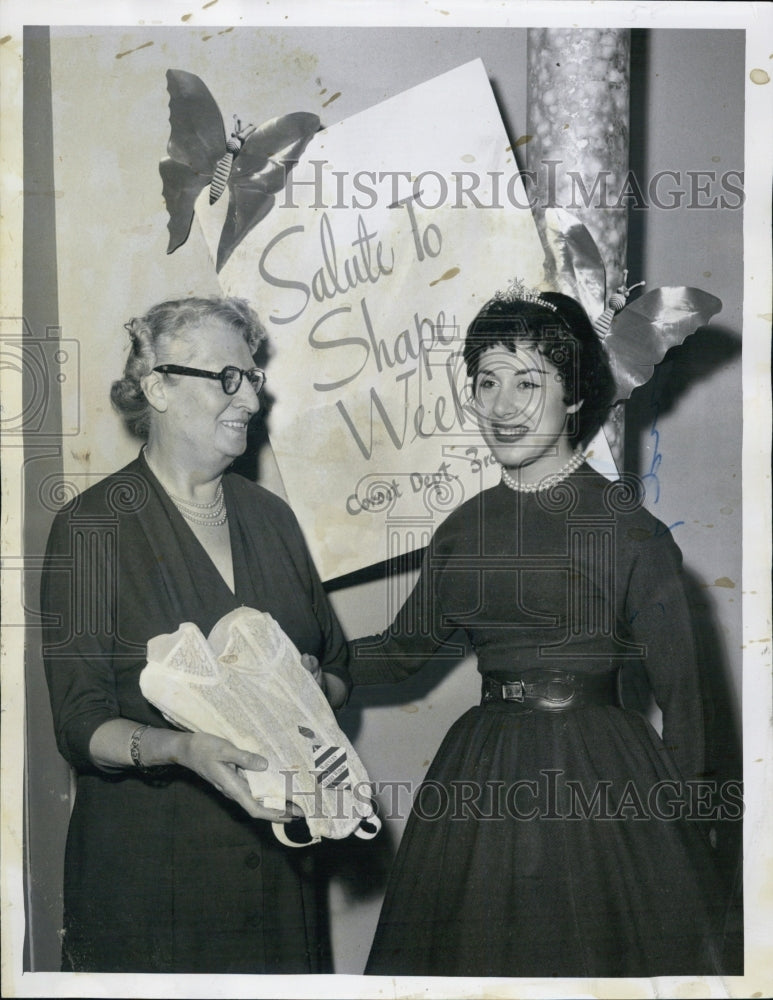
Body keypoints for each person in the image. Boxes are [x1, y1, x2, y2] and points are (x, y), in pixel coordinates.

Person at [348, 289, 735, 977]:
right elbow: (399, 653)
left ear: (575, 395)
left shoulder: (626, 529)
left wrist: (683, 834)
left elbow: (687, 704)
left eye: (527, 383)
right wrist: (305, 658)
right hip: (481, 777)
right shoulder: (462, 529)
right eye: (486, 382)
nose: (502, 407)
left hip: (602, 781)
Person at [40, 296, 350, 973]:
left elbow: (336, 667)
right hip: (152, 878)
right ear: (157, 388)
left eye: (253, 378)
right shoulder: (92, 529)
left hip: (279, 869)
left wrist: (306, 685)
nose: (251, 400)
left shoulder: (272, 519)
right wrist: (180, 748)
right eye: (227, 378)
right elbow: (79, 724)